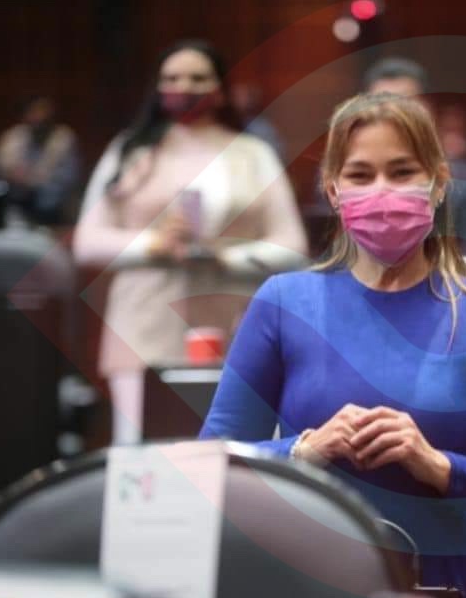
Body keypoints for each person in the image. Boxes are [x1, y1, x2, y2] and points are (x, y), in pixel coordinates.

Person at [199, 93, 466, 598]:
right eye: (361, 175)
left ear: (438, 184)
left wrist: (437, 466)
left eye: (402, 171)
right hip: (308, 586)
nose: (382, 190)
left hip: (441, 591)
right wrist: (302, 453)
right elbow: (212, 464)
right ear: (333, 190)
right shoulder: (284, 302)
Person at [74, 39, 307, 445]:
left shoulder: (253, 154)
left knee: (231, 451)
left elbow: (292, 246)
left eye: (198, 78)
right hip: (144, 324)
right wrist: (154, 245)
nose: (184, 87)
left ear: (220, 89)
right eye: (172, 78)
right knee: (144, 457)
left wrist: (226, 258)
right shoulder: (130, 152)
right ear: (157, 88)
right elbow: (87, 243)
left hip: (233, 322)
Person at [361, 57, 466, 249]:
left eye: (404, 104)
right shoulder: (343, 178)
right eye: (380, 105)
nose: (392, 115)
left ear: (427, 108)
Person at [0, 95, 81, 224]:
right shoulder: (12, 138)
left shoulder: (63, 139)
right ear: (25, 115)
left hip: (52, 208)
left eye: (43, 115)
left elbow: (69, 180)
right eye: (34, 113)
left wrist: (31, 180)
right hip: (15, 204)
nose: (38, 118)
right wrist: (14, 176)